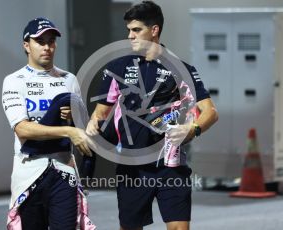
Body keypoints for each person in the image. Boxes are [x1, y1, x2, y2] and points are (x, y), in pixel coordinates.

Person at [86, 1, 218, 230]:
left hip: (171, 165)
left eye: (136, 30)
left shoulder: (181, 69)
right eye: (129, 30)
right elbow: (100, 113)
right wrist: (90, 128)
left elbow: (210, 112)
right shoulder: (116, 68)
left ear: (154, 30)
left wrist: (192, 129)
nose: (130, 35)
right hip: (132, 167)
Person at [2, 17, 94, 229]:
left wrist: (74, 119)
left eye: (51, 41)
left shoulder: (69, 79)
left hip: (64, 169)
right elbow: (22, 129)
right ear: (26, 45)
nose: (47, 47)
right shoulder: (14, 80)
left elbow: (82, 129)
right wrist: (67, 130)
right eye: (40, 41)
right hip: (29, 171)